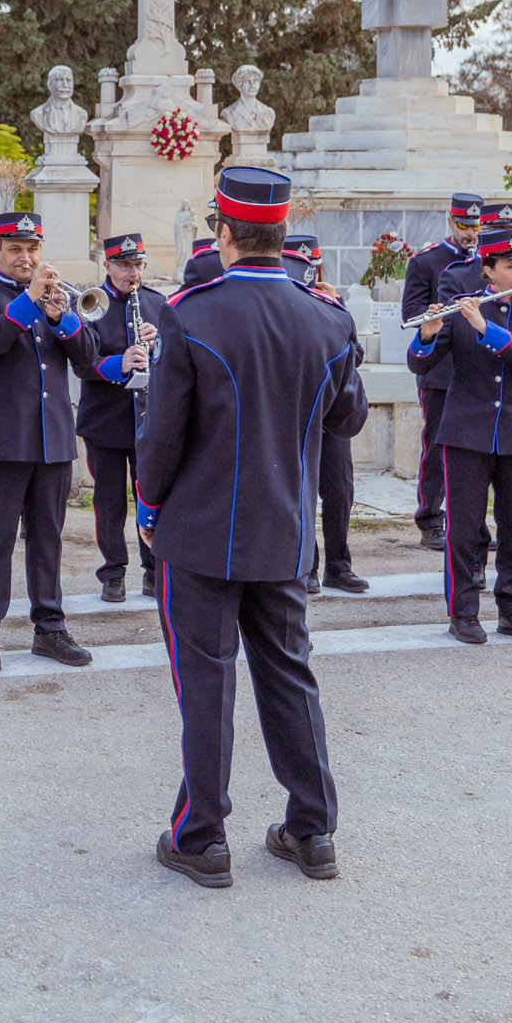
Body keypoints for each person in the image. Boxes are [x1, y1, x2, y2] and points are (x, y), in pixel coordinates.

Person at [136, 166, 368, 888]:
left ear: (225, 231)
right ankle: (313, 828)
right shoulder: (326, 317)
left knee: (206, 685)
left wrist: (148, 506)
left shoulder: (191, 311)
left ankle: (202, 837)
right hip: (286, 529)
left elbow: (162, 435)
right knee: (290, 677)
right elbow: (347, 418)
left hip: (202, 532)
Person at [0, 211, 98, 673]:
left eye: (32, 249)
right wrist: (31, 302)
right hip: (2, 440)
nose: (26, 257)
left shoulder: (57, 298)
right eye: (15, 249)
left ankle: (50, 629)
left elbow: (89, 360)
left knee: (49, 539)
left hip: (53, 438)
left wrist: (61, 319)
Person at [407, 224, 512, 644]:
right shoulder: (461, 310)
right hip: (466, 434)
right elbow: (422, 366)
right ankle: (463, 613)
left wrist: (484, 328)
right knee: (464, 529)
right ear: (488, 272)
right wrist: (426, 336)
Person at [283, 238, 366, 596]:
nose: (311, 276)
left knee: (339, 490)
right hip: (293, 414)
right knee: (300, 491)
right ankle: (309, 566)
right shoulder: (280, 304)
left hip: (331, 413)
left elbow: (356, 355)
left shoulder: (334, 307)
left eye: (314, 269)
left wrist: (335, 307)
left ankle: (338, 565)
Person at [78, 233, 158, 605]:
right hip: (106, 419)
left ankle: (154, 569)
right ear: (107, 265)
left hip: (150, 420)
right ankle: (113, 572)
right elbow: (82, 362)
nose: (133, 273)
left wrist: (159, 346)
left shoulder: (157, 303)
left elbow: (182, 361)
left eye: (138, 265)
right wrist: (119, 362)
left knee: (151, 496)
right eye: (125, 265)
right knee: (109, 501)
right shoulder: (91, 304)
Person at [401, 193, 483, 552]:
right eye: (464, 227)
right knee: (436, 445)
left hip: (478, 368)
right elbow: (410, 315)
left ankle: (474, 524)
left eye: (475, 228)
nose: (470, 235)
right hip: (439, 370)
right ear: (450, 222)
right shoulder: (427, 262)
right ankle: (431, 519)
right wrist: (435, 313)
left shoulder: (490, 261)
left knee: (478, 453)